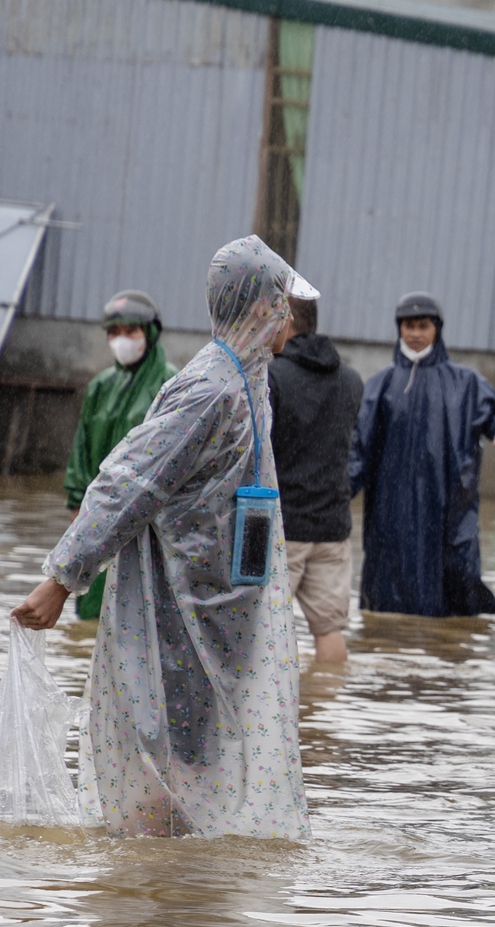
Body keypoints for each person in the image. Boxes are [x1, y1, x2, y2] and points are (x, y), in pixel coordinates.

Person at [11, 237, 314, 839]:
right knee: (165, 754)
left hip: (223, 610)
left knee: (204, 764)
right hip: (174, 612)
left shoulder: (252, 382)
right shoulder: (208, 390)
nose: (290, 316)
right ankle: (148, 896)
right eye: (282, 302)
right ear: (258, 308)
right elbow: (127, 484)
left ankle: (182, 902)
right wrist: (61, 579)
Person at [349, 291, 495, 617]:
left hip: (448, 511)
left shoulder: (466, 382)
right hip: (391, 515)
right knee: (386, 608)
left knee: (454, 596)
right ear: (399, 328)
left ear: (436, 329)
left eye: (423, 326)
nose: (415, 334)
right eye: (408, 326)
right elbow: (358, 451)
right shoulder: (379, 385)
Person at [64, 291, 177, 621]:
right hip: (96, 517)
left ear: (150, 333)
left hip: (148, 522)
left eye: (131, 332)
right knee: (91, 614)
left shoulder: (171, 383)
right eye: (114, 333)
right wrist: (76, 508)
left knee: (140, 616)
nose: (121, 341)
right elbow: (81, 452)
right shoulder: (101, 386)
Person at [268, 294, 364, 663]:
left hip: (282, 528)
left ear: (287, 321)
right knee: (329, 629)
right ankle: (325, 714)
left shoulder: (272, 377)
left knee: (268, 628)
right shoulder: (351, 380)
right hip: (332, 527)